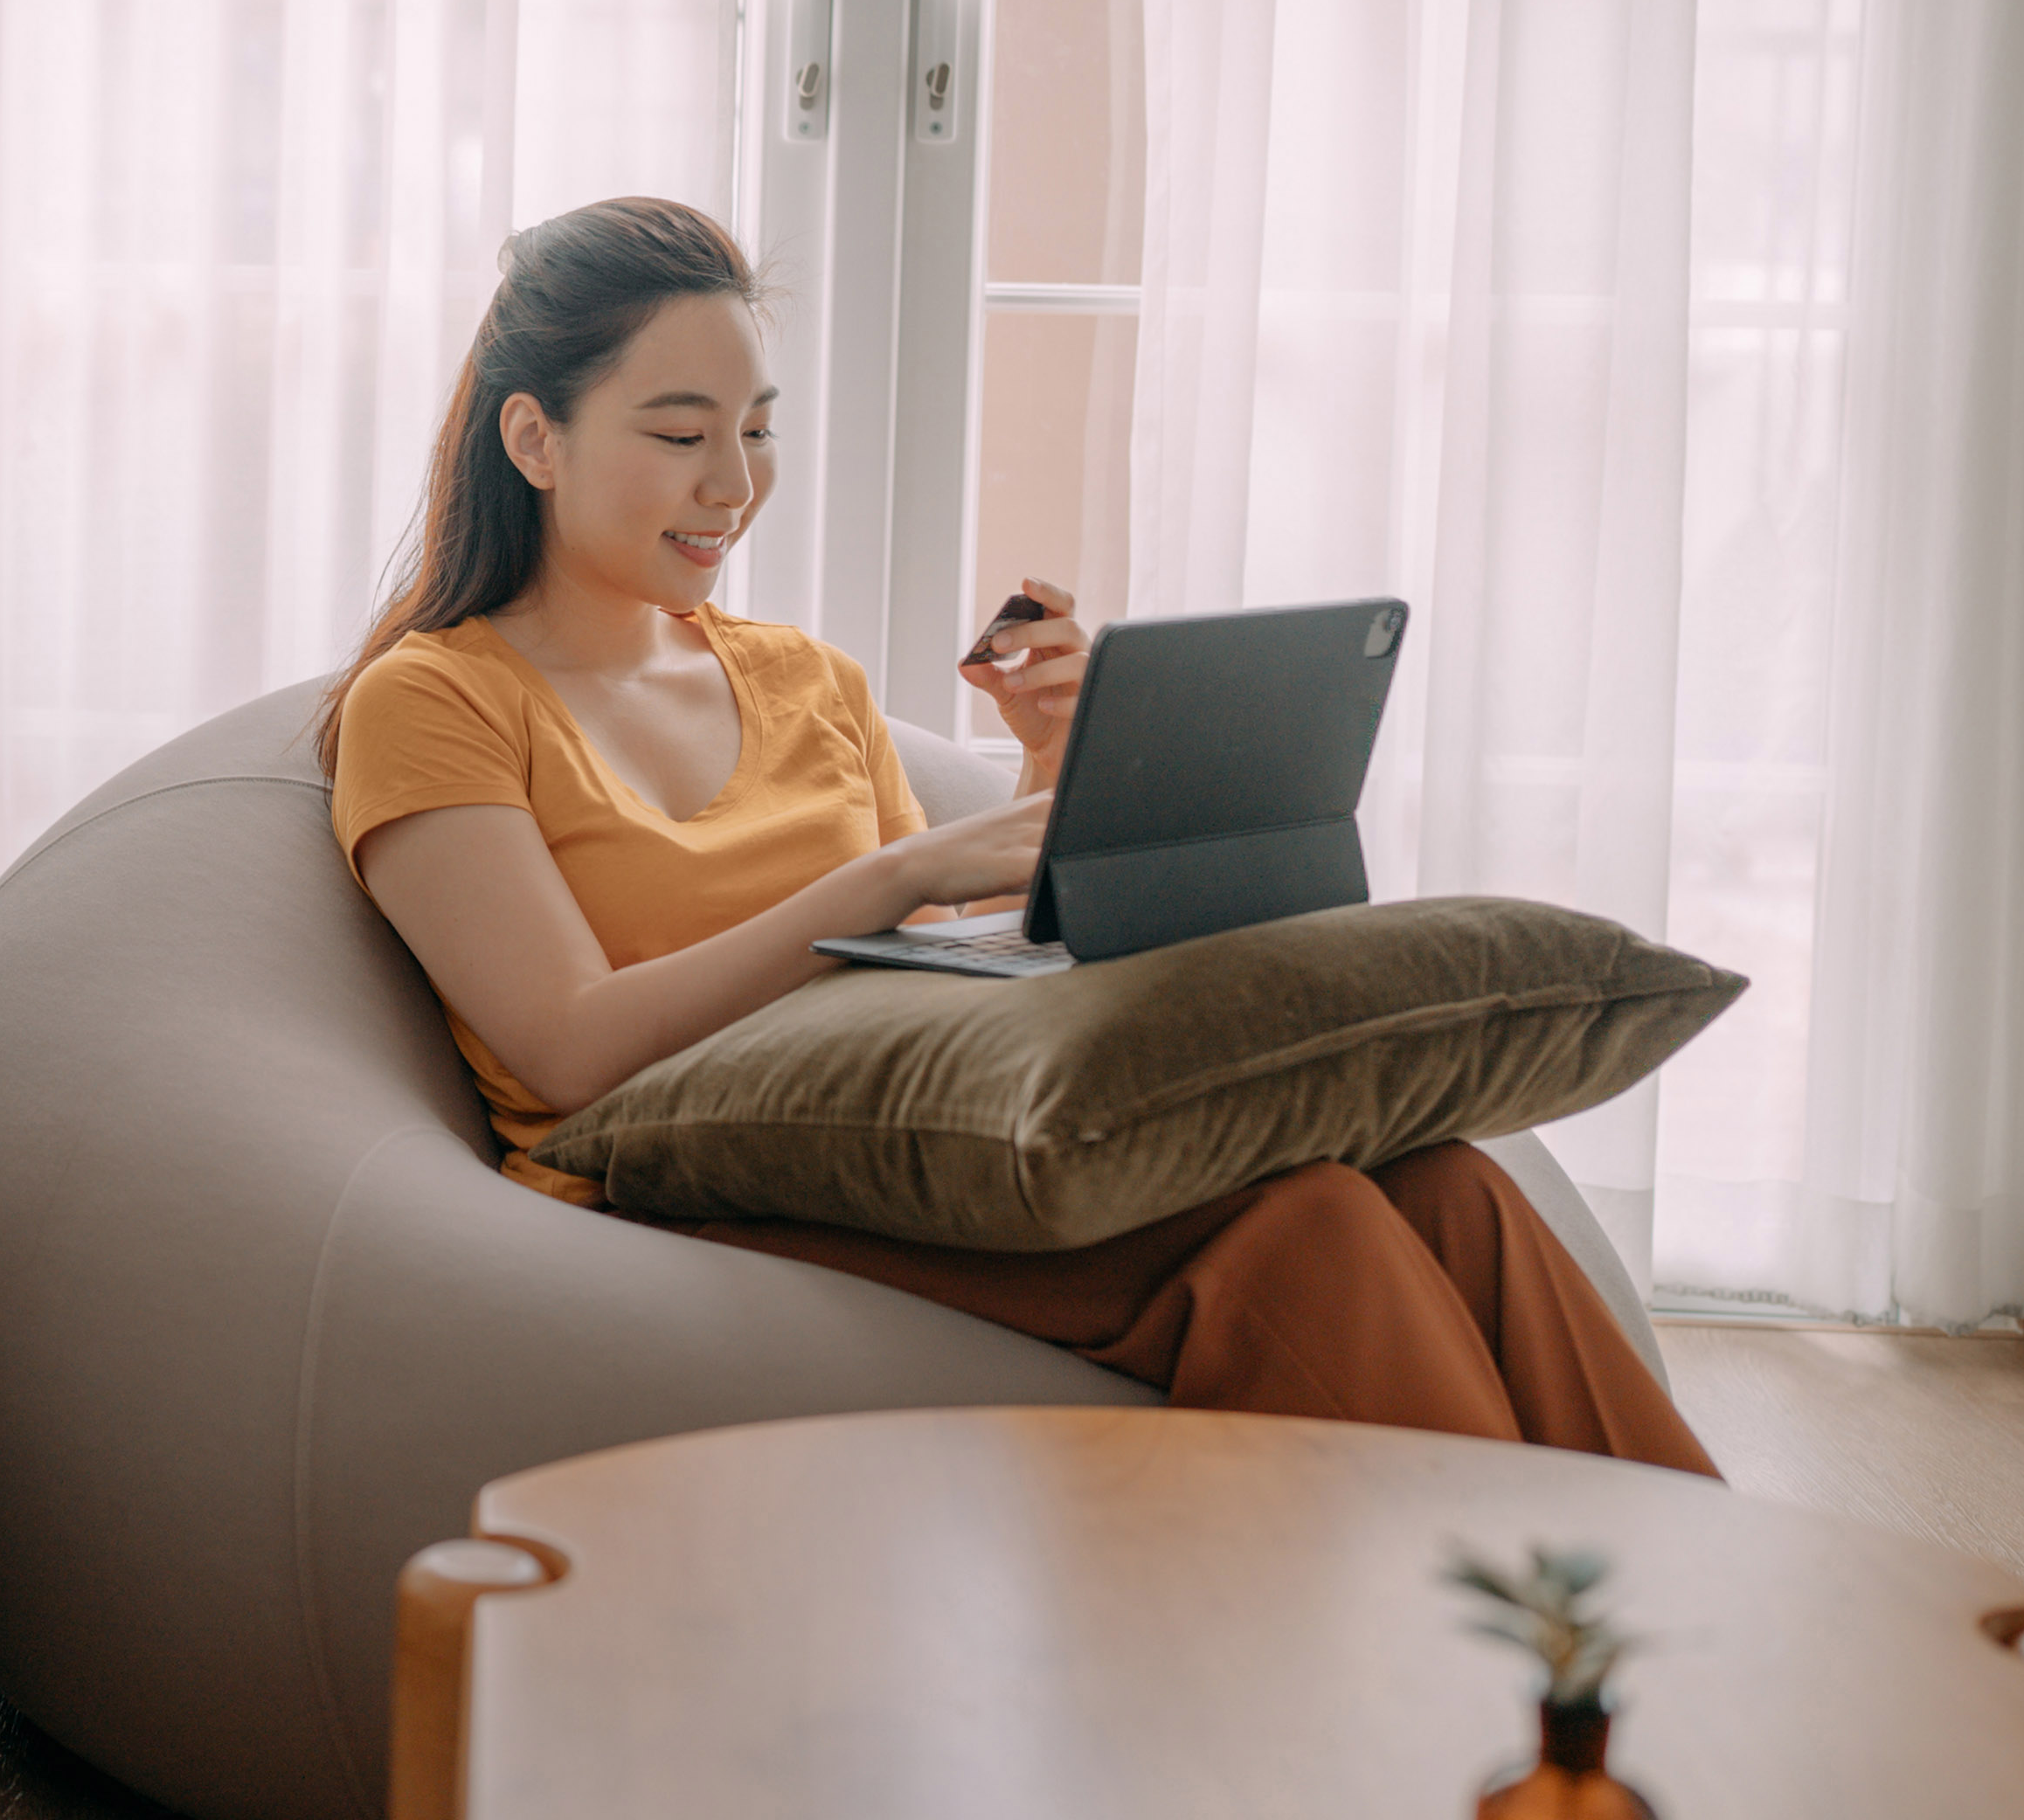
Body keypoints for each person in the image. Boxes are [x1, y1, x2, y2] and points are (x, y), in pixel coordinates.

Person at [321, 196, 1716, 1475]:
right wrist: (902, 869)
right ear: (533, 439)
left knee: (1446, 1185)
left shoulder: (807, 679)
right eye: (682, 435)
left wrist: (1063, 782)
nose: (734, 485)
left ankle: (1684, 1635)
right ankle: (1510, 1699)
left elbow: (928, 993)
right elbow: (567, 1043)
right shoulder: (437, 701)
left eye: (758, 428)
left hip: (885, 1140)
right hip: (675, 1191)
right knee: (1315, 1239)